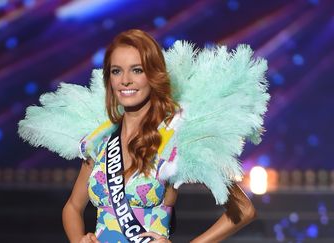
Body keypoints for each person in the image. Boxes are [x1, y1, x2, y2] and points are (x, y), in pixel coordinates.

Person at [18, 29, 269, 242]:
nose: (125, 80)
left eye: (136, 70)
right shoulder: (100, 140)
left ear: (153, 75)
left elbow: (244, 210)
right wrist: (79, 239)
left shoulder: (179, 139)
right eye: (117, 71)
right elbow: (73, 207)